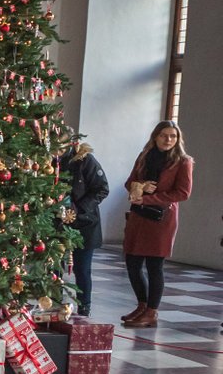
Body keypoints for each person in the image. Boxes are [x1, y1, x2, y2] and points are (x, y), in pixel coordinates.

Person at [121, 121, 194, 329]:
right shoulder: (144, 156)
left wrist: (148, 198)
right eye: (164, 135)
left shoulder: (183, 162)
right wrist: (140, 187)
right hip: (138, 216)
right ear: (155, 137)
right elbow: (129, 182)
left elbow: (182, 193)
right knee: (132, 263)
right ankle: (142, 305)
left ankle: (152, 311)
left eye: (173, 136)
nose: (169, 140)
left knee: (154, 266)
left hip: (161, 218)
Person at [58, 141, 109, 316]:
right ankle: (55, 304)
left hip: (85, 223)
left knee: (82, 269)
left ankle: (84, 307)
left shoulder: (86, 161)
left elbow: (102, 189)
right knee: (54, 267)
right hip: (56, 223)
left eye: (62, 147)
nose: (58, 151)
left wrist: (78, 208)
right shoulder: (49, 162)